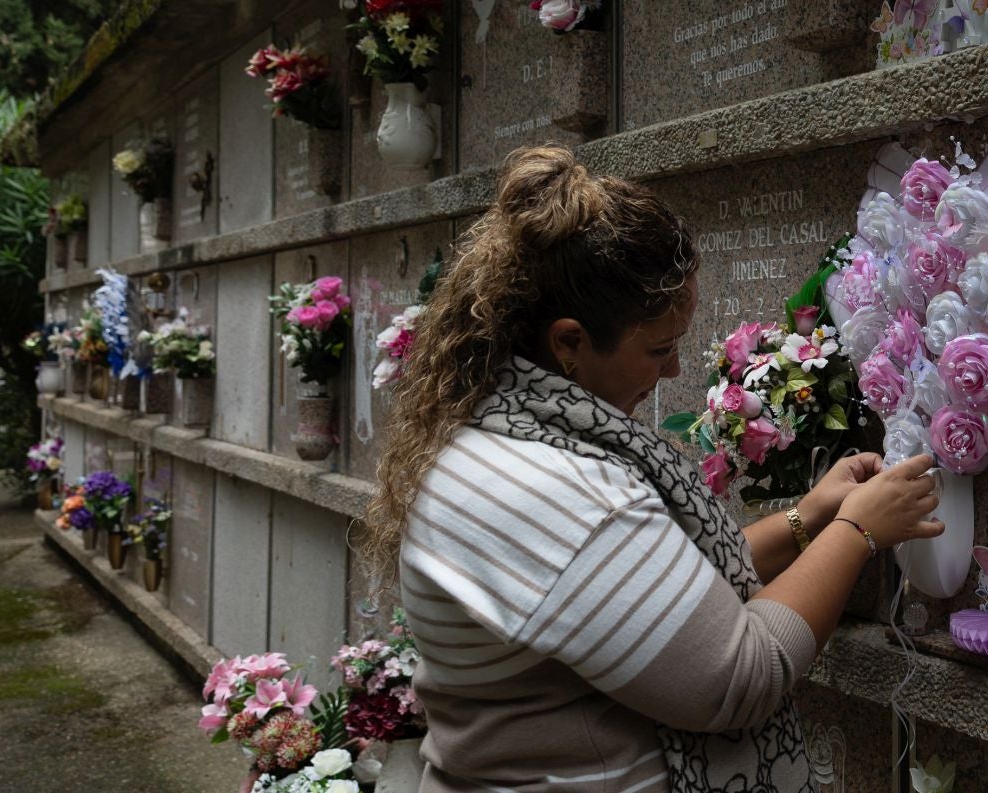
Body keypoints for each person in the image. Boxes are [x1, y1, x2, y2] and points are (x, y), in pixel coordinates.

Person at [363, 146, 943, 793]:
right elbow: (736, 673)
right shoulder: (551, 489)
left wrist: (809, 517)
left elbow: (653, 590)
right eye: (659, 348)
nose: (671, 371)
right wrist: (857, 531)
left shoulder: (504, 442)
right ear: (569, 343)